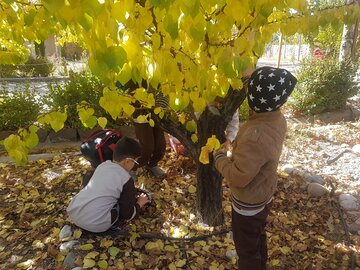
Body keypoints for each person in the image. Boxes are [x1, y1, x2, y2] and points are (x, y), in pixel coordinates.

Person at [214, 66, 297, 269]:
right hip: (264, 192)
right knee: (257, 235)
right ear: (280, 102)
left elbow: (239, 176)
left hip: (248, 203)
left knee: (246, 250)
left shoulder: (256, 134)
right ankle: (261, 262)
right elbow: (257, 156)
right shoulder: (276, 119)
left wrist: (219, 158)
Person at [67, 136, 149, 233]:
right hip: (96, 224)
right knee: (119, 206)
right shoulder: (126, 179)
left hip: (74, 214)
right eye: (135, 161)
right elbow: (127, 214)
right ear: (128, 161)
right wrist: (139, 203)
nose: (135, 165)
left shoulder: (102, 166)